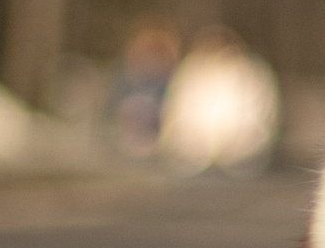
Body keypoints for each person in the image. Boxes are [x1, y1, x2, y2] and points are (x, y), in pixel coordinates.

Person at [157, 26, 281, 173]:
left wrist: (239, 146)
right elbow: (177, 112)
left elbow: (260, 116)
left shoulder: (250, 73)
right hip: (193, 159)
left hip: (241, 159)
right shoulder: (192, 71)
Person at [107, 21, 179, 161]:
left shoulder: (172, 85)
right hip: (121, 152)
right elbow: (108, 116)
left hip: (160, 156)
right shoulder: (123, 82)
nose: (151, 61)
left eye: (157, 53)